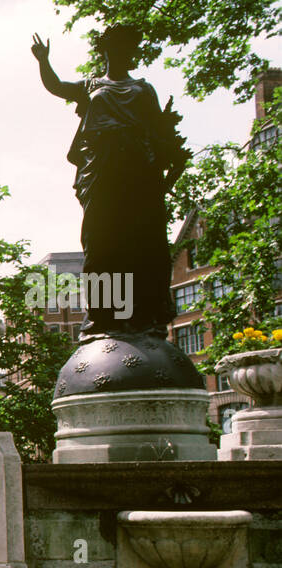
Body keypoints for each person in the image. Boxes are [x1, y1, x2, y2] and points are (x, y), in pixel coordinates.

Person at [31, 25, 190, 336]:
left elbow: (158, 132)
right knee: (101, 243)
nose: (126, 52)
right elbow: (57, 86)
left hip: (138, 171)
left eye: (130, 47)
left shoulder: (144, 89)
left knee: (141, 243)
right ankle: (105, 317)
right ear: (106, 50)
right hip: (102, 170)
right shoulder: (91, 85)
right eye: (119, 46)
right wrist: (43, 61)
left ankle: (144, 317)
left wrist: (167, 167)